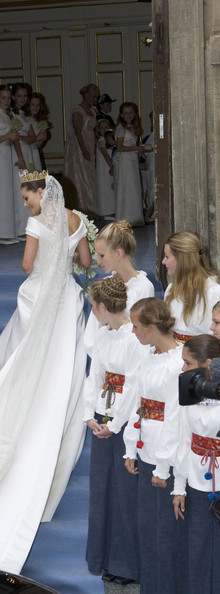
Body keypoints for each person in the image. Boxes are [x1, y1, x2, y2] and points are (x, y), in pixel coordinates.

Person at [0, 170, 91, 574]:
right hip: (64, 300)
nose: (26, 204)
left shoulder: (37, 222)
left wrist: (41, 262)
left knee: (28, 363)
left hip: (40, 295)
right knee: (62, 366)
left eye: (28, 198)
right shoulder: (76, 219)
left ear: (41, 193)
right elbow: (84, 262)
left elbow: (27, 266)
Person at [84, 276, 148, 587]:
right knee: (102, 489)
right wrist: (88, 415)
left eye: (93, 308)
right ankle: (106, 556)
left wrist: (115, 425)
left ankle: (128, 563)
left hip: (123, 424)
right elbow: (94, 376)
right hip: (102, 417)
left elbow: (134, 387)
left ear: (104, 307)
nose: (91, 313)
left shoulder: (134, 341)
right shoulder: (103, 335)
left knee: (125, 494)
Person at [123, 298, 185, 594]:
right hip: (147, 453)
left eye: (135, 326)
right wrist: (131, 447)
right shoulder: (149, 356)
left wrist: (162, 466)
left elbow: (174, 418)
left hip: (166, 460)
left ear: (150, 328)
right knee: (148, 529)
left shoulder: (177, 365)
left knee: (166, 533)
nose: (132, 331)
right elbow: (140, 405)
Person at [173, 334, 220, 594]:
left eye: (188, 363)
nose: (182, 369)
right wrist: (179, 487)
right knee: (199, 549)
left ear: (209, 363)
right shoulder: (189, 393)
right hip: (197, 481)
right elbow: (184, 441)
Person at [84, 220, 154, 357]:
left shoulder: (143, 287)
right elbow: (91, 335)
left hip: (130, 359)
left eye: (102, 255)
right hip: (105, 359)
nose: (98, 261)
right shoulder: (104, 285)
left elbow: (143, 334)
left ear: (118, 253)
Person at [162, 231, 220, 343]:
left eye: (167, 257)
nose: (163, 262)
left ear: (182, 260)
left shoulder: (214, 292)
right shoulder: (171, 289)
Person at [0, 85, 21, 245]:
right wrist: (7, 136)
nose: (6, 101)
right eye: (3, 97)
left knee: (8, 193)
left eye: (8, 97)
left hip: (7, 155)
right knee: (0, 192)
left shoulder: (7, 115)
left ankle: (7, 232)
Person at [64, 83, 100, 216]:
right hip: (78, 147)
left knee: (90, 177)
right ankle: (80, 208)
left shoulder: (93, 111)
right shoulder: (77, 110)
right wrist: (84, 150)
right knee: (80, 176)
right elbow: (78, 132)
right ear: (86, 95)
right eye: (93, 97)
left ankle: (90, 207)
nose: (95, 100)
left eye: (96, 97)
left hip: (90, 144)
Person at [10, 82, 36, 239]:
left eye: (25, 96)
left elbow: (32, 137)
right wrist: (20, 156)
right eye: (19, 96)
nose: (22, 99)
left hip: (27, 150)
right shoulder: (11, 115)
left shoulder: (24, 115)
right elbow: (15, 138)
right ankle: (20, 228)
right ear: (13, 97)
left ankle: (29, 225)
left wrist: (24, 138)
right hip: (18, 152)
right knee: (20, 187)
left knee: (29, 187)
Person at [114, 102, 146, 227]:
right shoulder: (121, 129)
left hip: (131, 159)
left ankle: (134, 217)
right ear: (121, 115)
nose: (129, 115)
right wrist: (136, 148)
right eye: (126, 113)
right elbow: (119, 147)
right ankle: (126, 218)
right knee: (127, 188)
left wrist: (137, 149)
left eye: (131, 113)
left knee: (133, 188)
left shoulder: (130, 128)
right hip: (125, 161)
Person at [93, 119, 115, 219]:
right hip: (104, 169)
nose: (105, 129)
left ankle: (112, 210)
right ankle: (107, 211)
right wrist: (112, 166)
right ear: (98, 130)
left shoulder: (109, 141)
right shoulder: (101, 141)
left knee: (111, 189)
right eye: (102, 128)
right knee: (105, 189)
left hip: (109, 167)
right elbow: (105, 154)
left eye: (107, 127)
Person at [27, 91, 50, 171]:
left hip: (35, 153)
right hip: (26, 154)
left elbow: (37, 146)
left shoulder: (37, 121)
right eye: (32, 104)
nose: (35, 107)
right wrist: (37, 137)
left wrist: (42, 139)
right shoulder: (25, 120)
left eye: (38, 105)